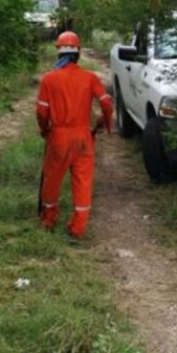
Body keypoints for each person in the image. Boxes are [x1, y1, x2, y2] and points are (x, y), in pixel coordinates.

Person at [35, 31, 113, 239]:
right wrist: (104, 122)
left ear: (58, 53)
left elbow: (42, 112)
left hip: (58, 136)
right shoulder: (89, 77)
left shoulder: (49, 80)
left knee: (52, 179)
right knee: (83, 181)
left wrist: (45, 131)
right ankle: (78, 228)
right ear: (78, 53)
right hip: (83, 136)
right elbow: (106, 102)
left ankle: (49, 219)